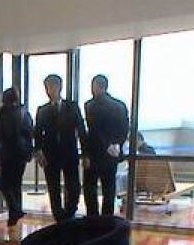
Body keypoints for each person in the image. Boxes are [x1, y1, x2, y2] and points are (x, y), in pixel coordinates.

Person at [34, 74, 88, 222]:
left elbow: (81, 130)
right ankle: (58, 216)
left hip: (69, 153)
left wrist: (86, 154)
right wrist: (38, 152)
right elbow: (37, 133)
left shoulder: (72, 107)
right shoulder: (42, 110)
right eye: (47, 88)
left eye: (51, 87)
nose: (49, 91)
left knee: (74, 186)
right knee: (53, 187)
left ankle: (70, 212)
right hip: (50, 154)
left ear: (59, 87)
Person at [84, 75, 129, 216]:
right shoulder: (120, 105)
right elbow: (125, 128)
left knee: (90, 188)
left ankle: (93, 218)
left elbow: (94, 130)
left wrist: (105, 145)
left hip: (94, 153)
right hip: (112, 154)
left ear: (95, 86)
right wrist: (117, 144)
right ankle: (107, 219)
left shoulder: (90, 105)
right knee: (109, 188)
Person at [0, 87, 34, 226]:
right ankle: (15, 213)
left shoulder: (3, 113)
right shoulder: (24, 112)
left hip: (8, 153)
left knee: (4, 184)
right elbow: (30, 133)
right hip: (22, 154)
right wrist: (29, 152)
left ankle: (15, 210)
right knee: (16, 184)